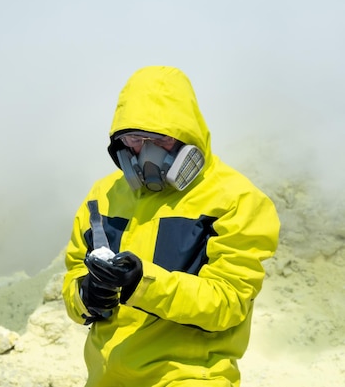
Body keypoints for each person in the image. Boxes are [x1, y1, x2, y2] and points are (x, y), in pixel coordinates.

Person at [62, 66, 280, 387]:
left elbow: (228, 303)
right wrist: (86, 294)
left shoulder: (237, 200)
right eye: (134, 139)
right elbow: (72, 279)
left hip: (189, 377)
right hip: (106, 378)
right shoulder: (103, 196)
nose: (144, 152)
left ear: (187, 134)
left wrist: (143, 283)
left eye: (158, 139)